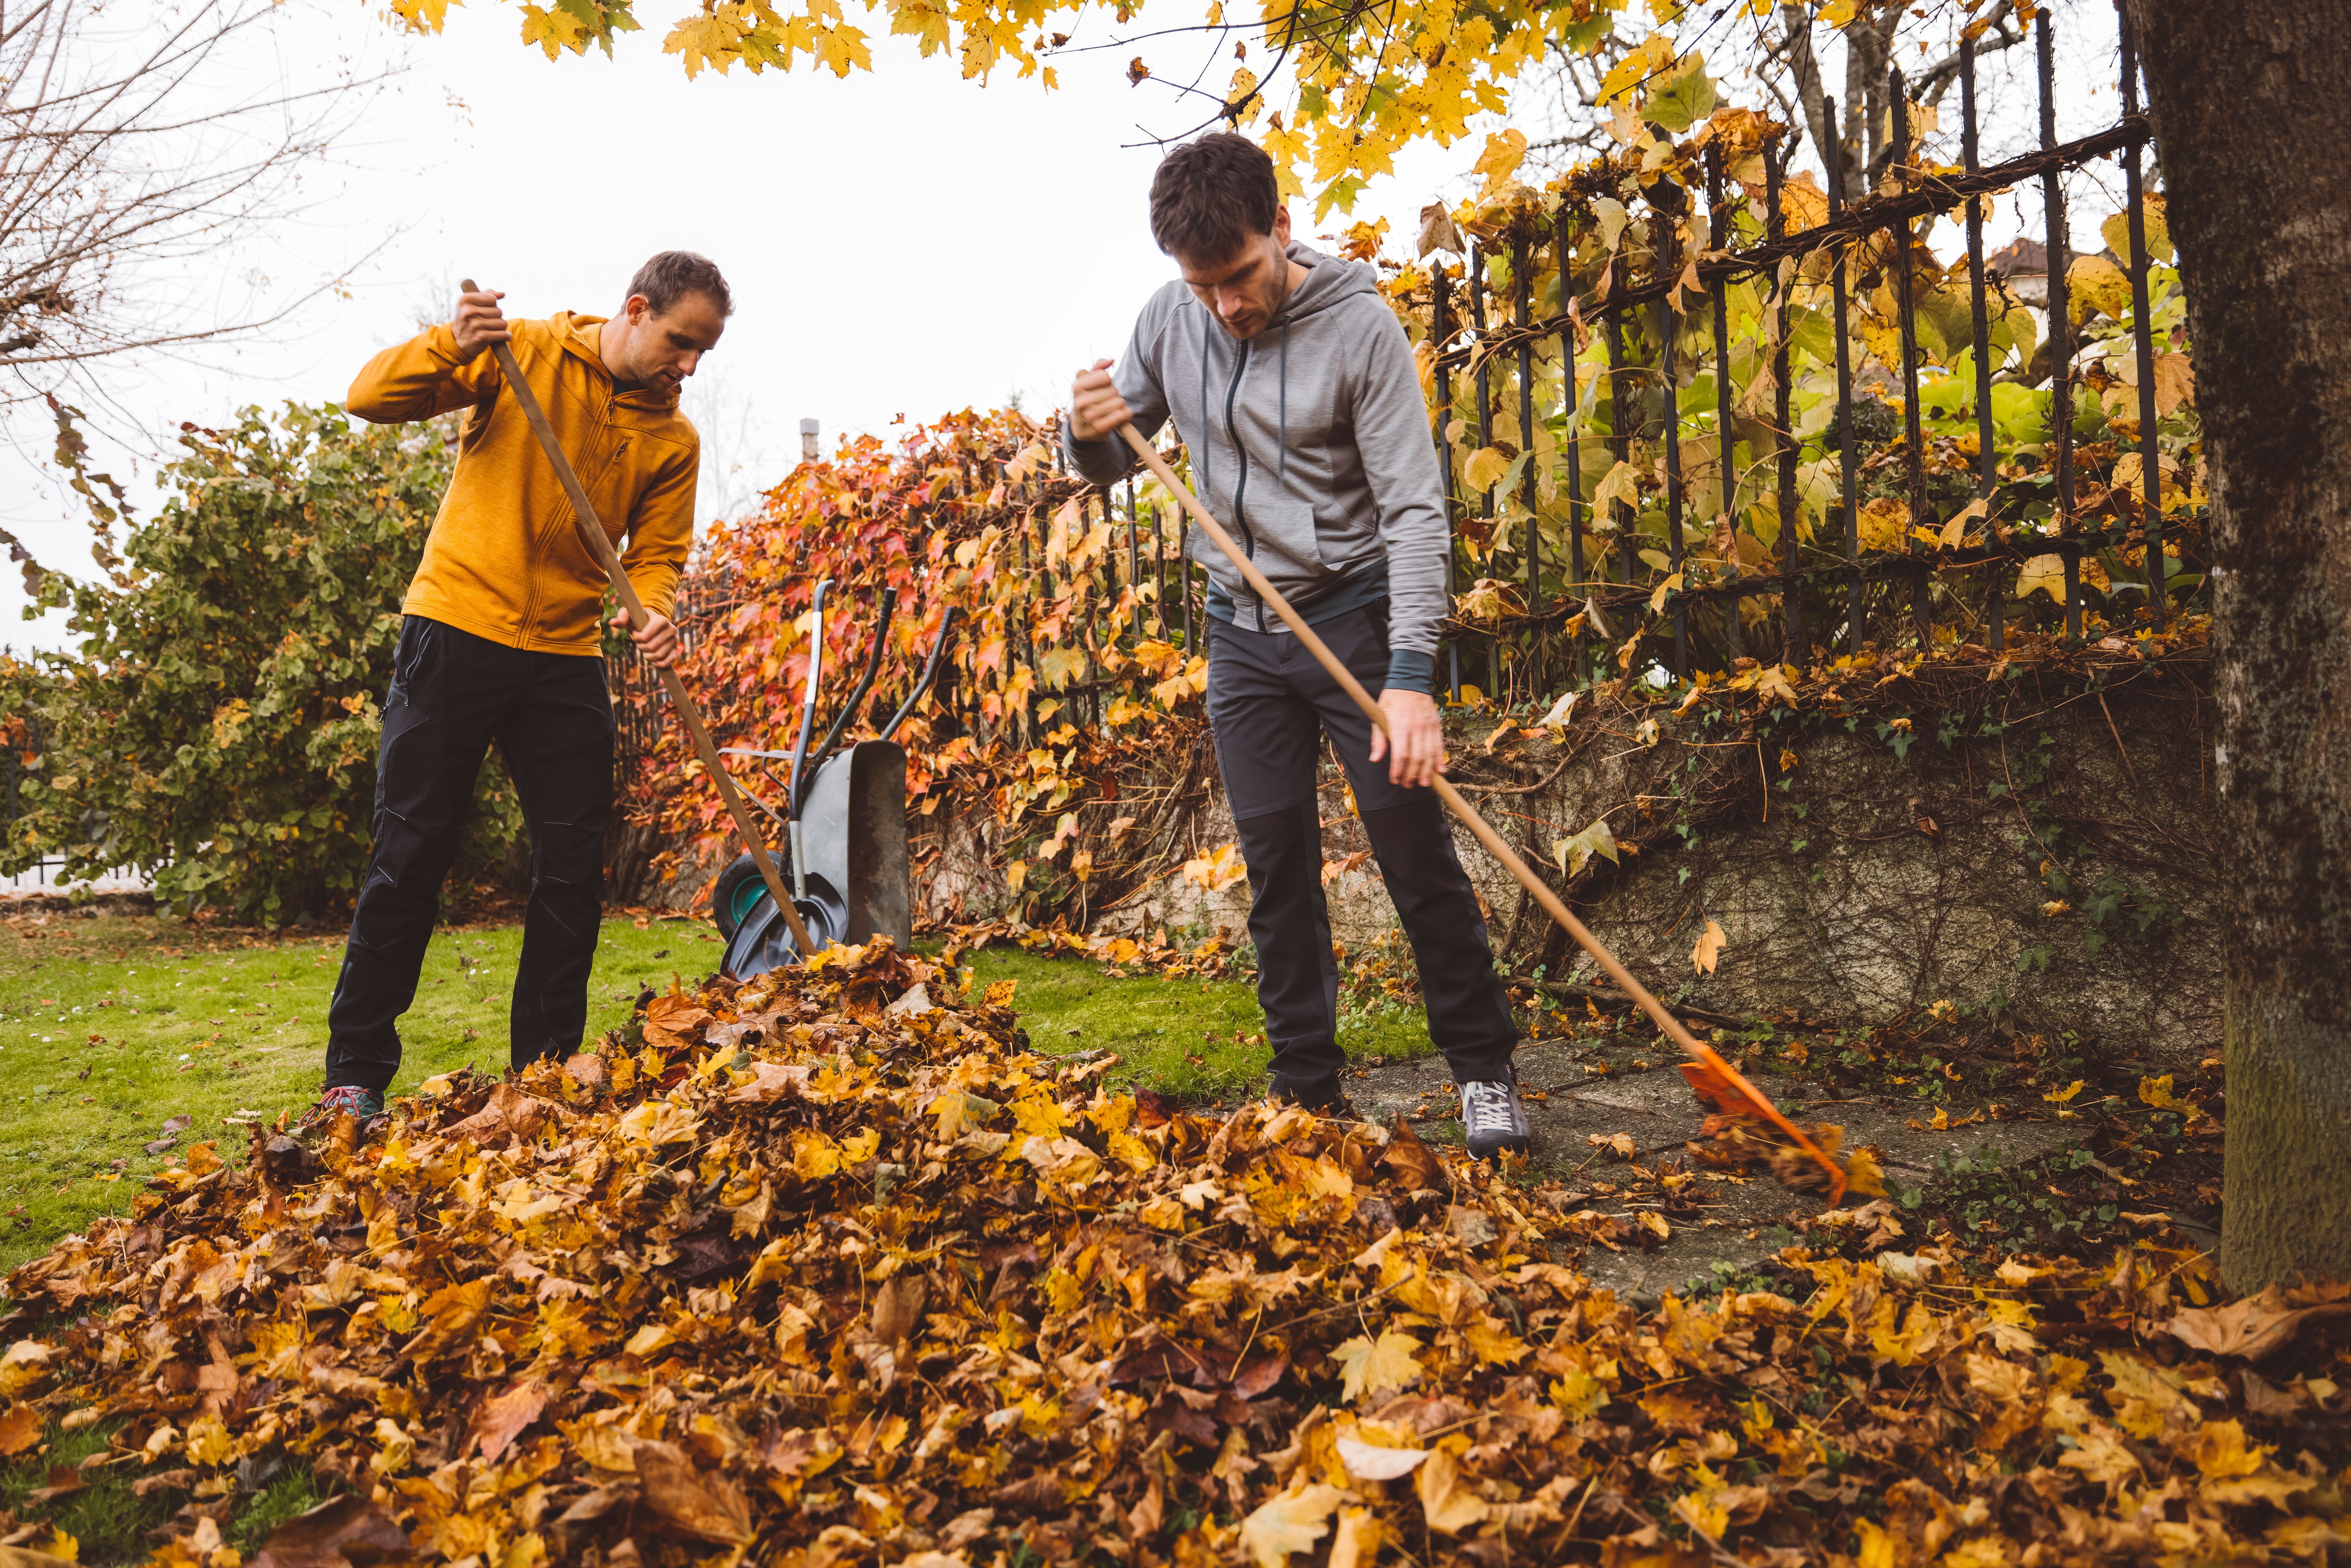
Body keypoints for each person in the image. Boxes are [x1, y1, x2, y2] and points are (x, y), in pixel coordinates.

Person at [1063, 134, 1531, 1158]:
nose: (1224, 305)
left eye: (1237, 275)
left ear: (1280, 227)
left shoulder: (1360, 331)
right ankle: (1306, 1090)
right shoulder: (1169, 319)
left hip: (1351, 619)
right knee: (1275, 867)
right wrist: (1085, 428)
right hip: (1241, 632)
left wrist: (1410, 679)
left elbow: (1413, 513)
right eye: (1201, 286)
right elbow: (1105, 458)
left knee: (1414, 856)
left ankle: (1483, 1073)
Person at [303, 252, 728, 1126]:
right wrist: (448, 343)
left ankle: (540, 1074)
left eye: (703, 354)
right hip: (456, 628)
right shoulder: (519, 355)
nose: (687, 366)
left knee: (573, 867)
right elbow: (368, 398)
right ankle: (354, 1076)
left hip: (564, 656)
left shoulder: (672, 441)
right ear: (637, 309)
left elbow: (657, 556)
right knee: (411, 853)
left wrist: (649, 609)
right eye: (681, 343)